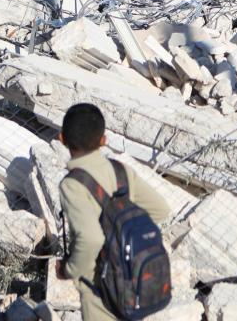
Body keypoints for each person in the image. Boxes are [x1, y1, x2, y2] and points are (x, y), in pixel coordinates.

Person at [56, 103, 171, 321]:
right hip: (130, 278)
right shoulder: (120, 170)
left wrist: (69, 269)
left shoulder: (72, 185)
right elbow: (160, 209)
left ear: (62, 139)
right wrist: (123, 243)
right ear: (103, 140)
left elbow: (90, 239)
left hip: (99, 287)